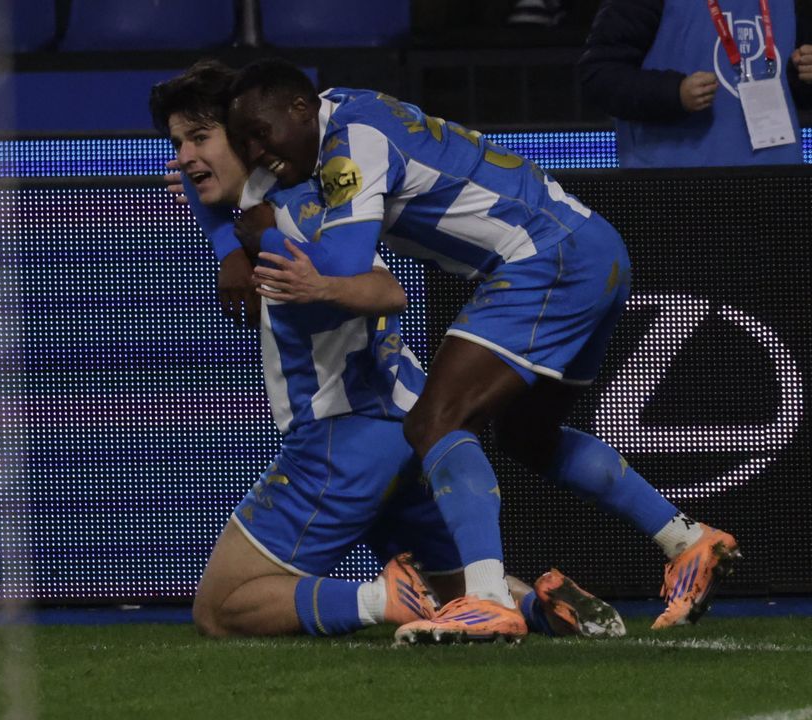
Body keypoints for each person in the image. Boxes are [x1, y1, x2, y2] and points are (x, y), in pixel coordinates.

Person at [223, 59, 740, 644]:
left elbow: (344, 266)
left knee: (435, 422)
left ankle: (487, 600)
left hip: (543, 260)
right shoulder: (340, 107)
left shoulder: (351, 144)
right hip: (591, 248)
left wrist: (261, 234)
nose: (255, 151)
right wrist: (237, 234)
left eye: (260, 134)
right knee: (528, 437)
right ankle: (685, 540)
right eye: (242, 142)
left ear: (298, 108)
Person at [149, 60, 623, 641]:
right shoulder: (270, 201)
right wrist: (227, 240)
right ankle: (539, 608)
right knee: (457, 588)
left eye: (200, 138)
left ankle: (384, 599)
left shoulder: (296, 206)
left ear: (247, 133)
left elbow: (384, 288)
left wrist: (286, 261)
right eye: (176, 144)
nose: (184, 156)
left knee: (221, 609)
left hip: (342, 435)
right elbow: (230, 208)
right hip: (400, 424)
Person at [578, 0, 812, 168]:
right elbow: (599, 76)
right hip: (679, 189)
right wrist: (674, 93)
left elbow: (790, 75)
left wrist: (809, 75)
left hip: (776, 181)